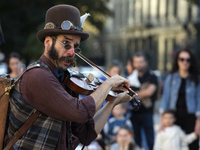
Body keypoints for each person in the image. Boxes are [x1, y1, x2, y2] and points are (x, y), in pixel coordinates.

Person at [3, 5, 133, 150]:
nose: (72, 52)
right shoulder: (37, 76)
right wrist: (107, 84)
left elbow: (87, 135)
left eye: (75, 47)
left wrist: (112, 102)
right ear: (48, 43)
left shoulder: (64, 79)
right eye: (66, 43)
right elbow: (81, 112)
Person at [160, 48, 200, 150]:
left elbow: (199, 100)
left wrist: (198, 121)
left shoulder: (196, 78)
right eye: (182, 59)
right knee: (173, 144)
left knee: (193, 145)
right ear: (177, 61)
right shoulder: (171, 78)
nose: (185, 62)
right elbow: (165, 98)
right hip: (174, 116)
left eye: (188, 60)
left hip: (191, 116)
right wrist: (162, 120)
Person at [128, 52, 158, 150]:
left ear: (146, 62)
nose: (139, 64)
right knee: (136, 141)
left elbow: (149, 92)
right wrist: (140, 93)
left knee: (150, 141)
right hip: (133, 112)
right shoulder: (131, 78)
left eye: (141, 62)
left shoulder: (152, 76)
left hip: (147, 112)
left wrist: (133, 94)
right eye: (136, 62)